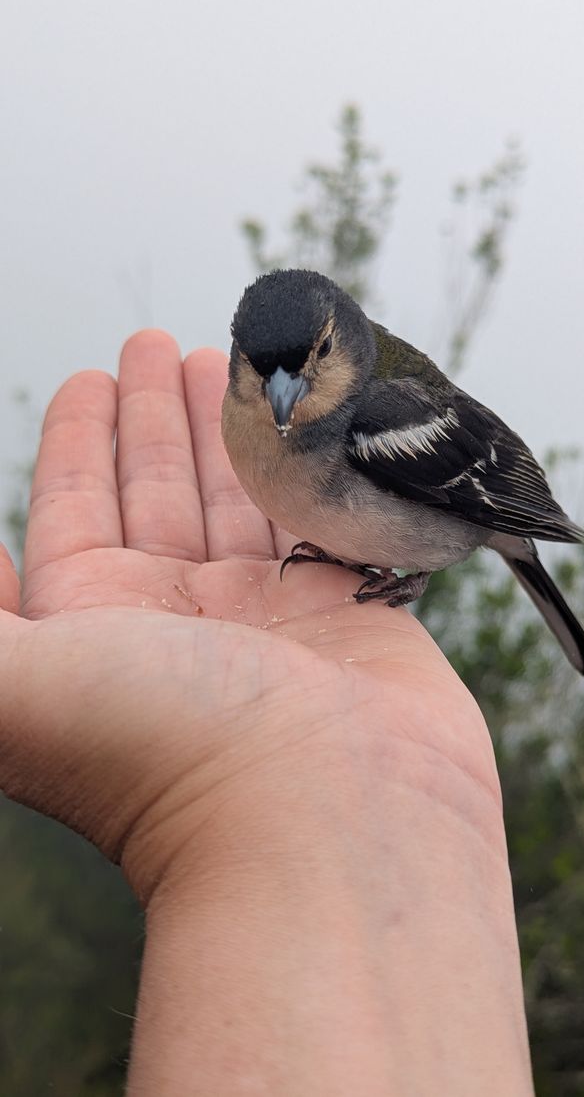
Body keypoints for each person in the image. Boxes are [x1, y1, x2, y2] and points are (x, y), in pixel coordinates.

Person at [0, 330, 534, 1095]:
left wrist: (413, 572)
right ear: (240, 363)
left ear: (342, 343)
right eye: (263, 370)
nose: (285, 390)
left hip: (469, 508)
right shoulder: (250, 421)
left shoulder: (383, 414)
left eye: (310, 359)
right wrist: (239, 797)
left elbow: (470, 483)